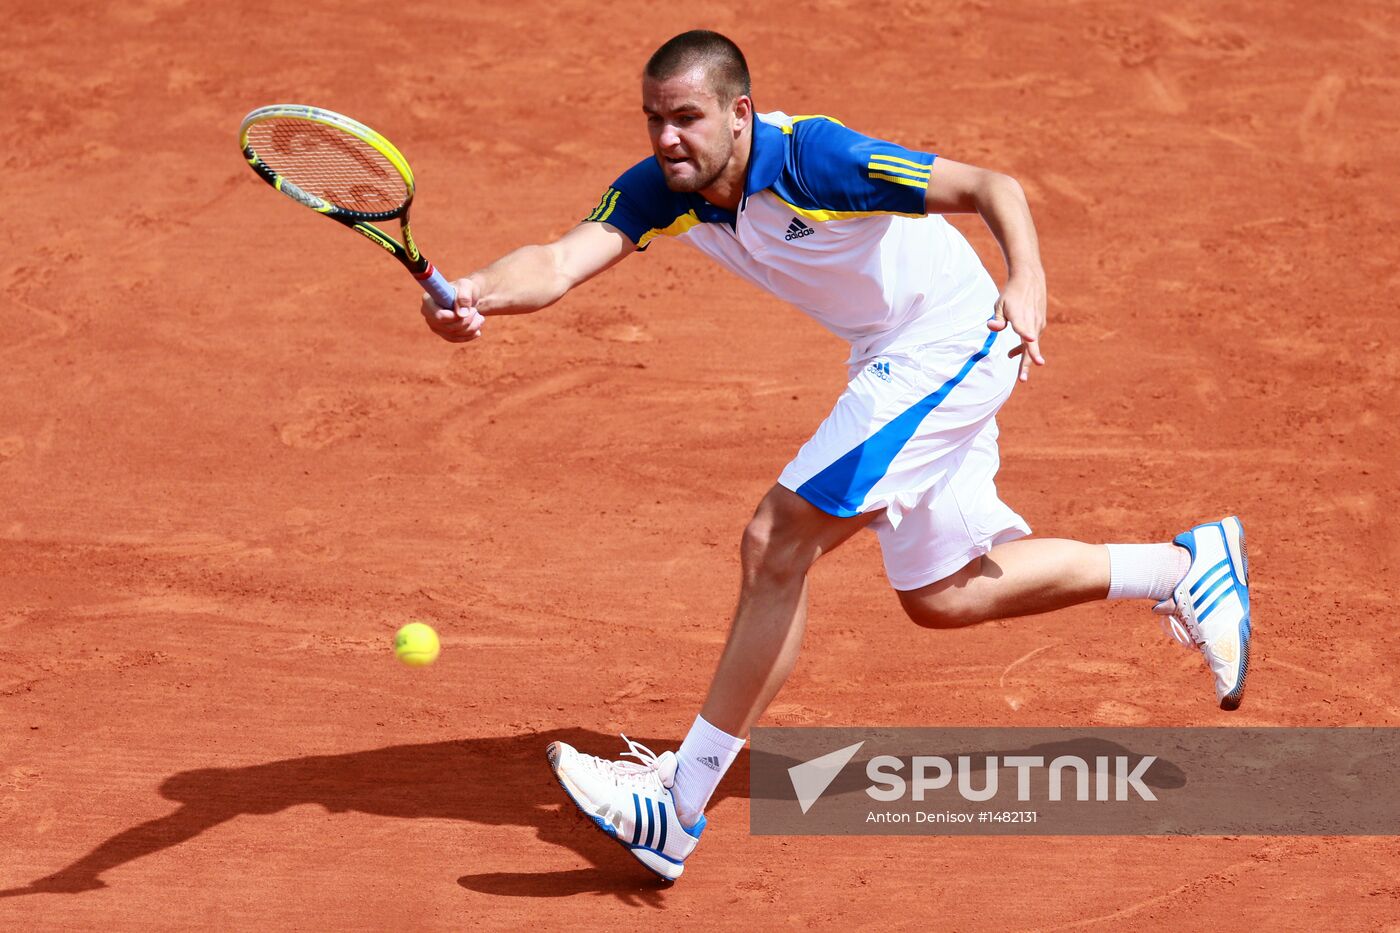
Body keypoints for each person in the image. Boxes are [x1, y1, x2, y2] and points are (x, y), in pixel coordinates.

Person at [419, 30, 1252, 882]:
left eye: (687, 118)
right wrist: (478, 291)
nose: (667, 139)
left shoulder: (819, 160)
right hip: (892, 350)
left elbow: (987, 185)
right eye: (653, 120)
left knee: (776, 541)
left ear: (740, 114)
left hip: (956, 336)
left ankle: (678, 802)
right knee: (942, 593)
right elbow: (559, 262)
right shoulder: (669, 189)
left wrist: (1026, 274)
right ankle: (1180, 566)